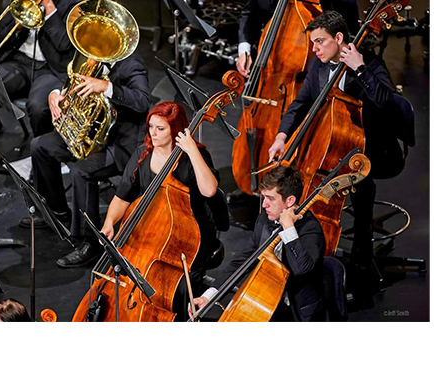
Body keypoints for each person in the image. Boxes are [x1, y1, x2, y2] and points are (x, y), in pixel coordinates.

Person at [265, 10, 400, 275]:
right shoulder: (318, 65)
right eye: (313, 42)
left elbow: (387, 102)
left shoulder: (370, 63)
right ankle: (304, 250)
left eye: (320, 41)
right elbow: (301, 103)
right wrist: (281, 136)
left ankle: (363, 259)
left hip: (368, 148)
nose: (314, 49)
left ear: (338, 38)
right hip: (331, 145)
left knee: (362, 188)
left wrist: (359, 68)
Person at [25, 52, 152, 268]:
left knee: (81, 171)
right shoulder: (90, 55)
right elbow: (66, 77)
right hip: (90, 132)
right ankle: (57, 211)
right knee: (40, 146)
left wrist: (106, 87)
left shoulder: (132, 63)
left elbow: (142, 101)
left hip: (120, 143)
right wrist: (55, 94)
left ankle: (90, 243)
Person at [99, 101, 224, 320]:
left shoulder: (194, 157)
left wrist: (192, 150)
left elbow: (210, 190)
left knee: (177, 288)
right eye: (151, 127)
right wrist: (109, 223)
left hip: (189, 236)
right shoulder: (143, 153)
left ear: (175, 130)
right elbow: (122, 197)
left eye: (160, 128)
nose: (153, 133)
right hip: (151, 230)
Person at [192, 166, 326, 321]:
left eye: (271, 198)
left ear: (290, 200)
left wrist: (289, 228)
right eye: (264, 197)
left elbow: (302, 268)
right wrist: (208, 297)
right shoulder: (265, 220)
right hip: (265, 300)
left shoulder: (310, 228)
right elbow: (242, 261)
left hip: (298, 313)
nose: (264, 205)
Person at [0, 0, 76, 141]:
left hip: (50, 69)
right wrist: (17, 26)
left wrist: (49, 8)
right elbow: (0, 36)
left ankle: (40, 150)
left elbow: (65, 44)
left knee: (37, 107)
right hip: (19, 62)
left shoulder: (70, 3)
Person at [235, 0, 361, 78]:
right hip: (269, 57)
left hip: (317, 67)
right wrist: (243, 50)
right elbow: (249, 13)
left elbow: (349, 20)